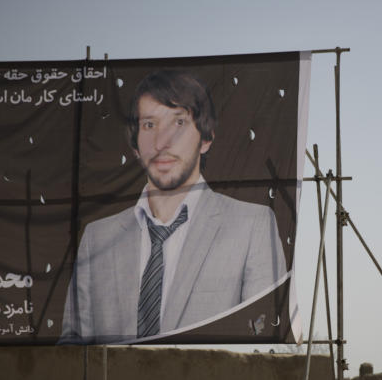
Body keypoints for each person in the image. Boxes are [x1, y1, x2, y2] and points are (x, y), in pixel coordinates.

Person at [60, 70, 288, 344]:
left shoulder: (252, 225)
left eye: (179, 122)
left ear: (206, 138)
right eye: (149, 125)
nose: (162, 142)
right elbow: (71, 349)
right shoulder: (97, 238)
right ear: (135, 145)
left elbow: (263, 344)